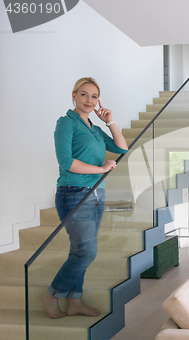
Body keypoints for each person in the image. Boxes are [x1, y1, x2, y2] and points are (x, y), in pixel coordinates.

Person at [42, 77, 128, 319]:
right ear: (73, 96)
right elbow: (66, 162)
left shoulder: (95, 128)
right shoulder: (66, 123)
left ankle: (75, 302)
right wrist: (102, 169)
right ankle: (53, 294)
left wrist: (109, 121)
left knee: (79, 250)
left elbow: (122, 148)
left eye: (94, 96)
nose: (89, 100)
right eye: (84, 94)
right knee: (87, 251)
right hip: (73, 193)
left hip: (97, 193)